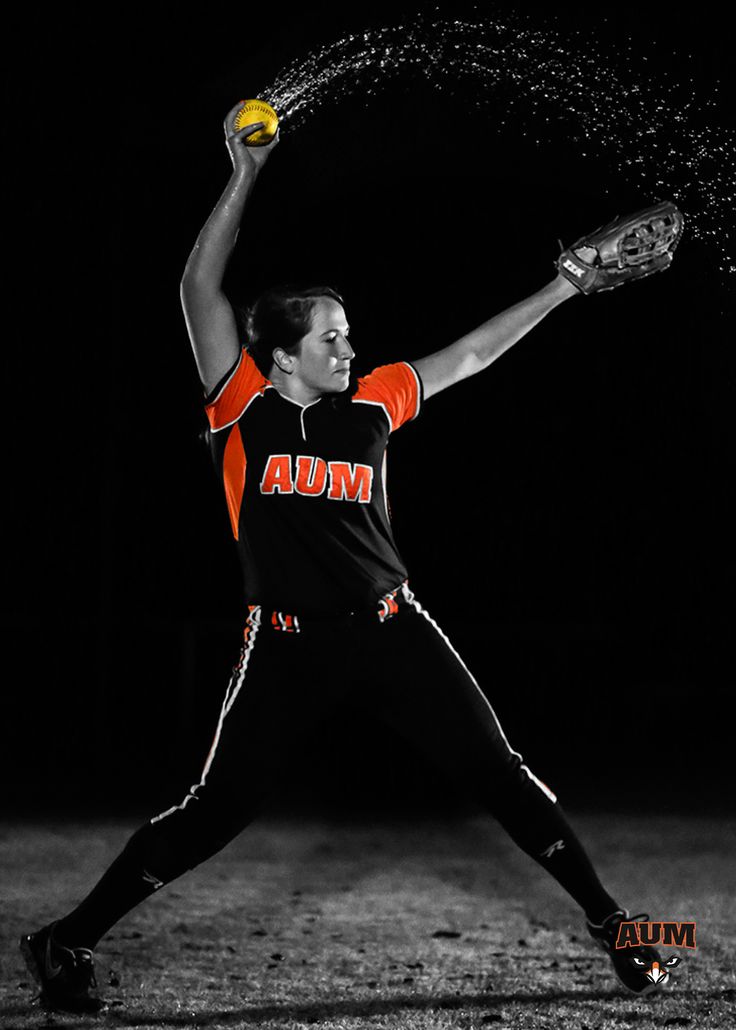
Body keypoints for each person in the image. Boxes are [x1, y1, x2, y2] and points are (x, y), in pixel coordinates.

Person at [20, 100, 665, 1013]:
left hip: (394, 629)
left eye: (347, 333)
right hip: (285, 646)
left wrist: (566, 283)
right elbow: (195, 290)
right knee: (214, 814)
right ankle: (65, 941)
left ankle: (622, 932)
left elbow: (473, 354)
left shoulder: (376, 402)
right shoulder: (240, 405)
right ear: (279, 357)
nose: (347, 346)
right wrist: (244, 177)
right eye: (329, 336)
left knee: (503, 775)